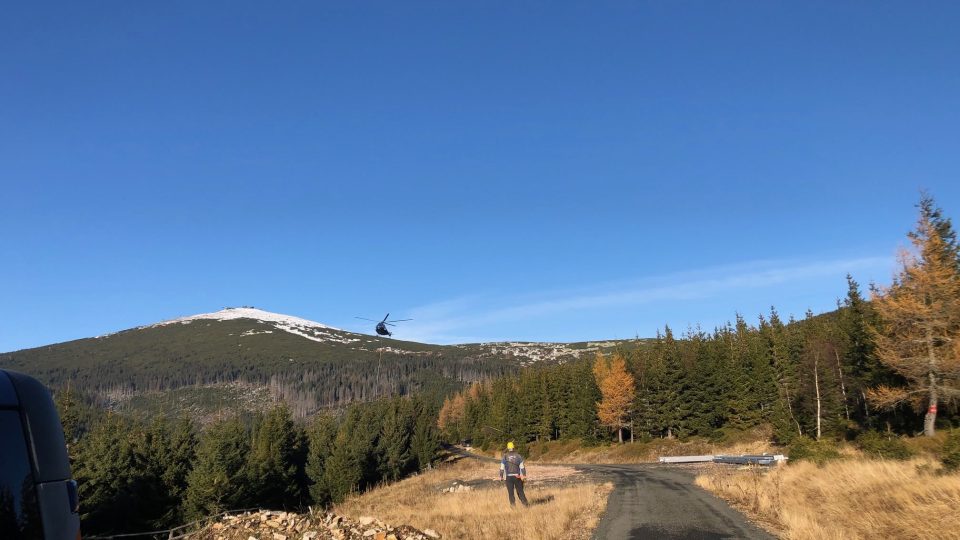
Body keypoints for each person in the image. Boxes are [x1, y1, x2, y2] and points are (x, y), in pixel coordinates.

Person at [499, 441, 529, 507]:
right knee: (520, 492)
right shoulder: (518, 456)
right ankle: (526, 505)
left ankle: (513, 507)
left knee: (511, 493)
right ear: (513, 447)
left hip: (509, 477)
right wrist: (524, 475)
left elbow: (502, 468)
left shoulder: (505, 456)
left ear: (508, 448)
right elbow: (522, 467)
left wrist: (501, 476)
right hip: (517, 476)